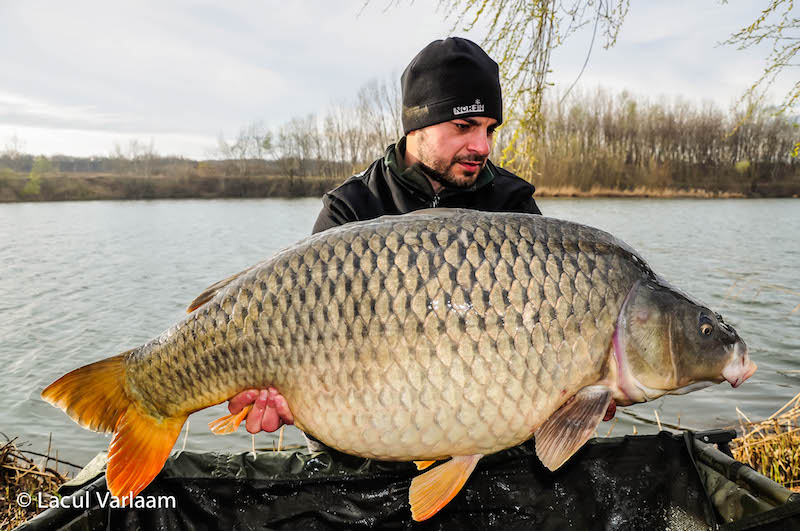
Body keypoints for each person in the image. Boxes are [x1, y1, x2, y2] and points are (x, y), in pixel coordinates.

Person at [227, 37, 549, 439]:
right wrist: (294, 397)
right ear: (417, 124)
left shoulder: (514, 205)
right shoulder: (350, 208)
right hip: (372, 438)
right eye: (464, 126)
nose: (481, 146)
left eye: (489, 129)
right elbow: (308, 343)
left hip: (488, 437)